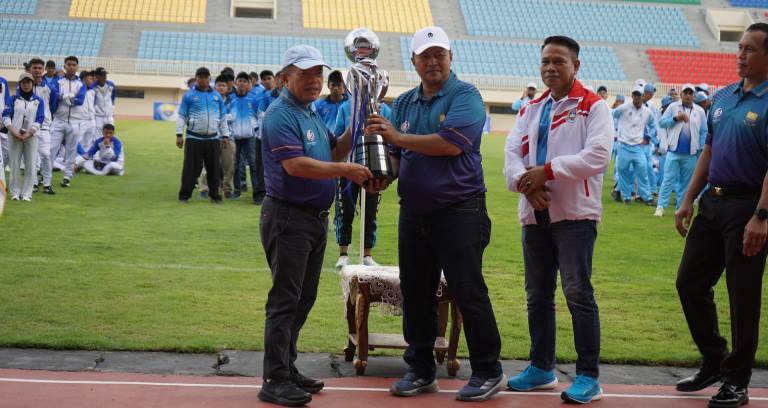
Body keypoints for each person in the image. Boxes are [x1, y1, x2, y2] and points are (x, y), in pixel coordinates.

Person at [364, 26, 505, 402]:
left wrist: (396, 138)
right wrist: (382, 175)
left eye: (438, 54)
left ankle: (489, 370)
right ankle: (421, 368)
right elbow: (399, 157)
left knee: (467, 291)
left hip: (460, 211)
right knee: (416, 293)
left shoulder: (466, 96)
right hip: (414, 213)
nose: (432, 61)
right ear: (413, 61)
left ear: (450, 58)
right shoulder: (407, 102)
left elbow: (450, 145)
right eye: (425, 56)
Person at [258, 45, 372, 407]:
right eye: (305, 74)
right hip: (288, 217)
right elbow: (296, 166)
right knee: (285, 299)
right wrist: (346, 171)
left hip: (311, 220)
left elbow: (333, 151)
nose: (314, 81)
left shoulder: (308, 113)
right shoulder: (281, 116)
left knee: (302, 298)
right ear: (285, 77)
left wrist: (358, 122)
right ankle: (275, 378)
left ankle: (286, 367)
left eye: (318, 74)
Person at [503, 35, 612, 405]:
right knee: (537, 295)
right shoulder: (530, 108)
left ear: (575, 66)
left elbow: (596, 157)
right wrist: (527, 186)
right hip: (535, 214)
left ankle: (588, 376)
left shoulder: (593, 107)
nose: (550, 67)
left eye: (559, 62)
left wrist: (545, 172)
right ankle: (541, 368)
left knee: (578, 294)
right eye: (545, 61)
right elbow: (511, 159)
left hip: (575, 216)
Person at [673, 23, 768, 408]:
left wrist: (761, 216)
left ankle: (737, 380)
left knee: (742, 295)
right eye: (739, 47)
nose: (740, 54)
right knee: (689, 283)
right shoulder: (724, 96)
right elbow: (709, 152)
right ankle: (714, 359)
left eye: (749, 49)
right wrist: (687, 199)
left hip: (749, 207)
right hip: (712, 203)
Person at [176, 67, 229, 204]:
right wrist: (179, 134)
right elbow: (181, 116)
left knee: (214, 169)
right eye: (200, 77)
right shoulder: (188, 95)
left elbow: (223, 118)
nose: (203, 79)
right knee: (190, 169)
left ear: (209, 79)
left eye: (205, 77)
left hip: (213, 138)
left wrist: (225, 135)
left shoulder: (216, 96)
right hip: (194, 138)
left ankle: (215, 196)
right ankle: (184, 196)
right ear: (196, 78)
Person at [655, 84, 707, 217]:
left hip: (691, 153)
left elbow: (703, 131)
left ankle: (680, 207)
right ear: (681, 94)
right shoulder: (673, 107)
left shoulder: (699, 111)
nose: (688, 95)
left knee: (686, 182)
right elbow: (662, 123)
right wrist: (676, 118)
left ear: (694, 96)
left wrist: (701, 148)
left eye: (691, 93)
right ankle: (661, 206)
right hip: (673, 151)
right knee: (668, 179)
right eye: (686, 93)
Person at [3, 73, 45, 202]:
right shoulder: (13, 98)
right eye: (23, 82)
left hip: (31, 137)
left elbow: (40, 119)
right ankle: (15, 192)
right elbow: (6, 115)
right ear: (19, 84)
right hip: (14, 136)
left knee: (31, 165)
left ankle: (27, 193)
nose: (26, 85)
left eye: (29, 82)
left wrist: (29, 133)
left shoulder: (38, 100)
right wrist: (13, 131)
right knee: (14, 165)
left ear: (32, 84)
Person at [613, 86, 657, 206]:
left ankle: (647, 198)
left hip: (638, 147)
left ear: (643, 96)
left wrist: (648, 138)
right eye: (635, 95)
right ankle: (626, 197)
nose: (637, 97)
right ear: (632, 96)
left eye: (639, 95)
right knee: (623, 171)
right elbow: (612, 114)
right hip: (623, 146)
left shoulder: (647, 112)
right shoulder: (624, 107)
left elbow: (653, 125)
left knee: (643, 172)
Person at [50, 56, 88, 188]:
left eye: (74, 65)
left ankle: (67, 177)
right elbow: (54, 95)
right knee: (51, 149)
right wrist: (69, 96)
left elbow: (80, 101)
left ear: (77, 67)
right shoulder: (58, 82)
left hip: (74, 122)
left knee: (71, 151)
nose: (71, 67)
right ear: (65, 66)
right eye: (69, 64)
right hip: (59, 120)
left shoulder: (81, 84)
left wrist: (64, 97)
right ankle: (46, 178)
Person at [228, 71, 261, 202]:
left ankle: (257, 193)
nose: (241, 84)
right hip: (234, 137)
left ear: (249, 84)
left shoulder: (253, 99)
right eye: (239, 81)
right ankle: (237, 190)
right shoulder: (230, 99)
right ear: (236, 83)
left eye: (244, 81)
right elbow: (224, 115)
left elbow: (258, 116)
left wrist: (255, 130)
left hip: (250, 137)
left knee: (253, 165)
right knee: (235, 165)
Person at [29, 58, 58, 195]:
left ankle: (47, 184)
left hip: (44, 126)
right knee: (32, 157)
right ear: (30, 69)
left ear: (43, 69)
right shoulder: (23, 86)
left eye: (40, 68)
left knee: (46, 155)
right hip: (29, 127)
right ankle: (34, 183)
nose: (37, 70)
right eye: (34, 68)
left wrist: (46, 118)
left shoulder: (50, 88)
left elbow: (52, 106)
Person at [92, 67, 116, 139]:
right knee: (98, 138)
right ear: (96, 76)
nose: (105, 77)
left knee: (110, 137)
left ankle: (109, 150)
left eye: (105, 74)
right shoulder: (92, 87)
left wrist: (111, 110)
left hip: (109, 116)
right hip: (98, 116)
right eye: (102, 75)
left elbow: (112, 99)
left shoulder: (111, 85)